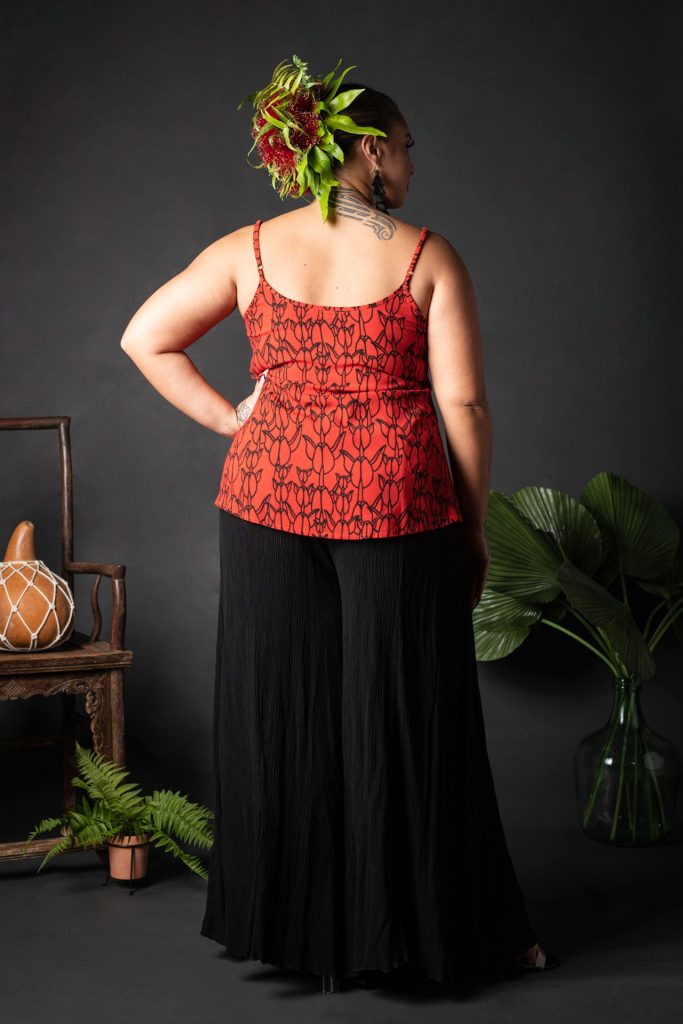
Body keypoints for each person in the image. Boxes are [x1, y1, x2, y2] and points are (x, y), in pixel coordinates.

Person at [120, 54, 560, 993]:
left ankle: (300, 935)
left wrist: (237, 419)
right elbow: (467, 409)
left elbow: (144, 337)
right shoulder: (423, 252)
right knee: (410, 719)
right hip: (397, 505)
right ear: (366, 151)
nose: (408, 165)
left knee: (285, 713)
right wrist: (473, 531)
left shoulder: (247, 248)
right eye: (403, 149)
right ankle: (438, 933)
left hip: (266, 501)